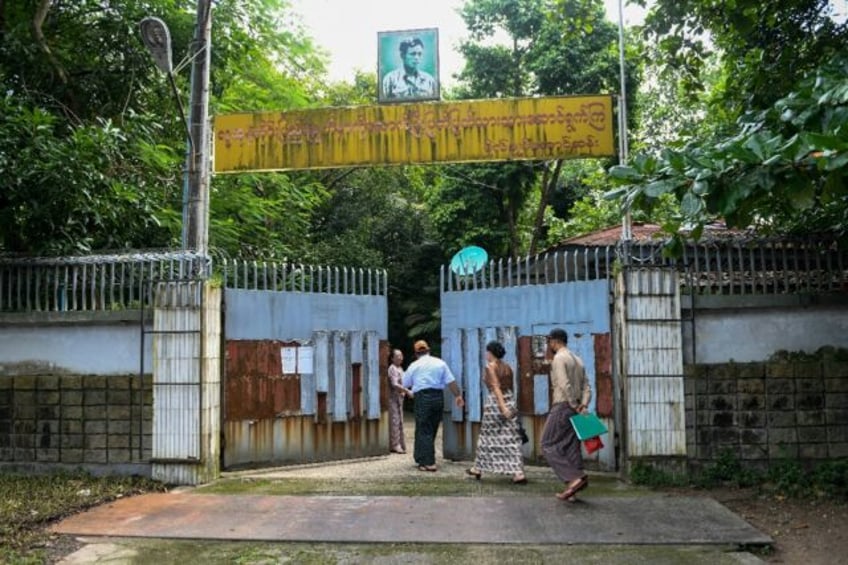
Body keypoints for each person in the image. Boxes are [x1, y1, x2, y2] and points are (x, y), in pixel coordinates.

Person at [540, 328, 591, 502]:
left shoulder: (559, 358)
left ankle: (574, 478)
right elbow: (587, 386)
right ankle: (572, 490)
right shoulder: (578, 359)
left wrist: (573, 404)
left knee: (547, 444)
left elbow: (564, 384)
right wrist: (582, 404)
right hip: (576, 407)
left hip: (563, 405)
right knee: (570, 447)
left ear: (555, 341)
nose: (549, 345)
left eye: (549, 342)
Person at [465, 341, 526, 484]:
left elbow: (496, 388)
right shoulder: (508, 367)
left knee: (487, 437)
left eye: (487, 352)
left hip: (495, 404)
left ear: (490, 353)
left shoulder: (490, 367)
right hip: (510, 400)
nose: (486, 354)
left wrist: (502, 407)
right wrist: (508, 405)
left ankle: (478, 468)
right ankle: (518, 473)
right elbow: (510, 387)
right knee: (511, 437)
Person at [402, 340, 464, 471]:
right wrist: (458, 396)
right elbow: (451, 381)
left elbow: (405, 383)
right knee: (432, 427)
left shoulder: (414, 365)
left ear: (416, 353)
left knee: (423, 428)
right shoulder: (440, 363)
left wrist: (410, 391)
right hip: (437, 397)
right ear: (429, 350)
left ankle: (429, 462)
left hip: (422, 397)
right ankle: (421, 459)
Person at [387, 348, 413, 454]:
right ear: (392, 358)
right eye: (397, 356)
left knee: (399, 421)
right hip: (393, 398)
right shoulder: (392, 368)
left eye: (401, 355)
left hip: (399, 398)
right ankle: (395, 445)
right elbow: (394, 384)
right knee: (395, 421)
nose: (400, 357)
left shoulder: (400, 368)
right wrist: (406, 391)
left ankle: (400, 443)